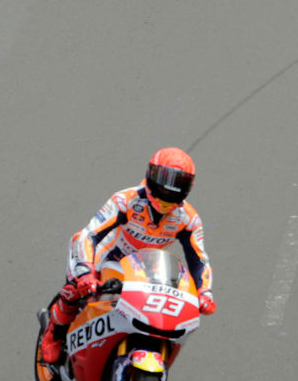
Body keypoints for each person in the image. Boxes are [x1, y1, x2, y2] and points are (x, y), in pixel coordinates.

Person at [38, 148, 217, 364]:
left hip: (144, 267)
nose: (169, 188)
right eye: (164, 179)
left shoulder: (188, 219)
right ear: (151, 175)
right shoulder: (126, 200)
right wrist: (85, 271)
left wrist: (204, 292)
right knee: (78, 288)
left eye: (179, 182)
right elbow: (89, 235)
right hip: (104, 256)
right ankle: (54, 333)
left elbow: (199, 261)